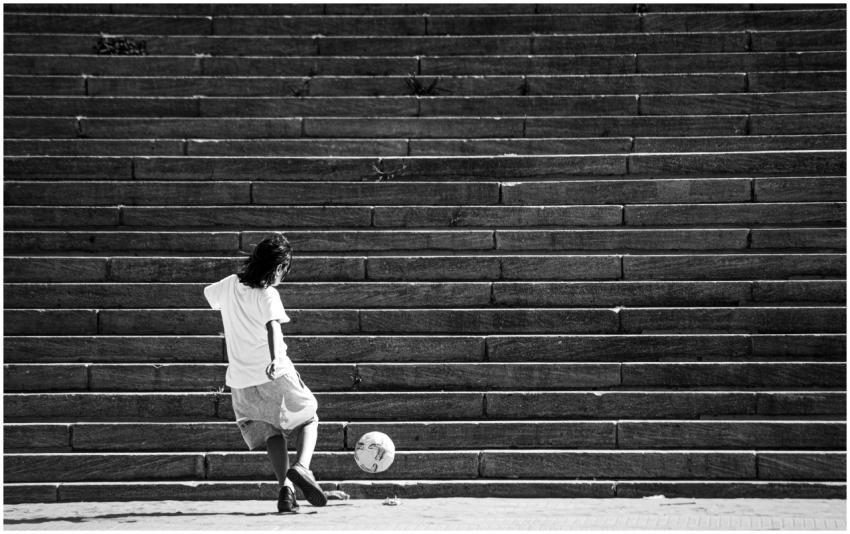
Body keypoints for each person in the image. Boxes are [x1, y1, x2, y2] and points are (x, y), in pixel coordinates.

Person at [203, 232, 328, 512]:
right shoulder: (268, 293)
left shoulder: (229, 285)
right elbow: (272, 326)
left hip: (240, 382)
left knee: (271, 431)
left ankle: (286, 490)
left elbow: (207, 294)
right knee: (309, 417)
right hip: (275, 373)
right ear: (280, 268)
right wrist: (273, 359)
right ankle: (303, 467)